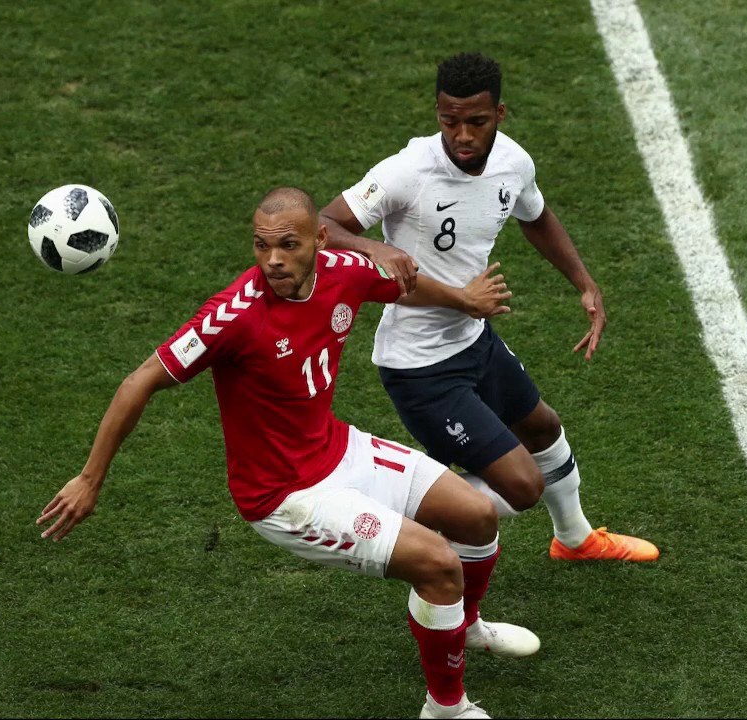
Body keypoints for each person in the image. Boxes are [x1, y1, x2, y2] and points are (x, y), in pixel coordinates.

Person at [36, 187, 537, 719]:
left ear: (319, 242)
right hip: (283, 496)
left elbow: (400, 284)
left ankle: (464, 624)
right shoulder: (232, 317)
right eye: (261, 246)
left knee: (477, 517)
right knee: (437, 564)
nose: (273, 260)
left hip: (336, 449)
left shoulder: (343, 270)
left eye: (288, 245)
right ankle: (446, 708)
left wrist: (463, 299)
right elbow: (139, 382)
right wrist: (91, 478)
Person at [319, 53, 658, 562]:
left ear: (499, 114)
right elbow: (325, 225)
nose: (461, 135)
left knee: (543, 428)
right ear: (437, 112)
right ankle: (387, 518)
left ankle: (575, 540)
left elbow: (536, 216)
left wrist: (584, 281)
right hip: (418, 367)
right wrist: (377, 249)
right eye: (448, 121)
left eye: (476, 122)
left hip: (472, 342)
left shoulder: (513, 163)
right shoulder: (407, 171)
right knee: (522, 488)